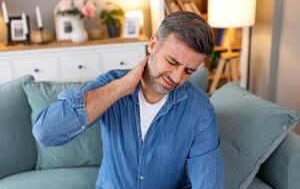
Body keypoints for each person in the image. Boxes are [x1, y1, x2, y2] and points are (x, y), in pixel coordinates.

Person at [33, 11, 224, 189]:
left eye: (188, 71)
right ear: (152, 44)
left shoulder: (200, 110)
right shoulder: (110, 83)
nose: (176, 77)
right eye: (172, 62)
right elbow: (46, 132)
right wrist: (120, 87)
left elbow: (209, 183)